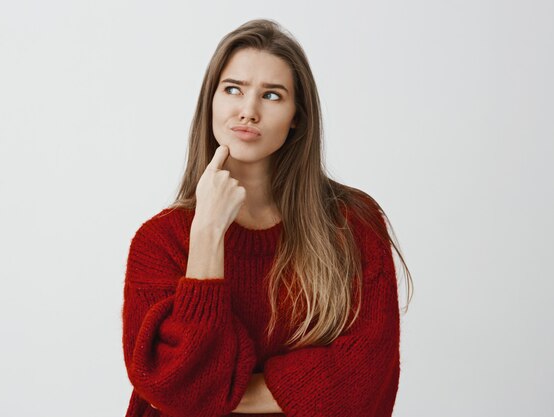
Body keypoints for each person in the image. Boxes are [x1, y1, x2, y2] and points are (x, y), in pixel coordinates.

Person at [122, 18, 413, 417]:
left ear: (297, 116)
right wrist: (207, 233)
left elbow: (364, 377)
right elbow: (167, 386)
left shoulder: (353, 223)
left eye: (272, 96)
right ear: (212, 100)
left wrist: (215, 396)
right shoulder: (159, 241)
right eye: (233, 89)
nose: (248, 111)